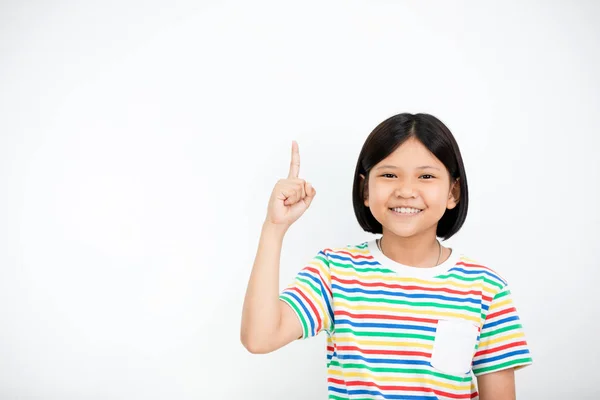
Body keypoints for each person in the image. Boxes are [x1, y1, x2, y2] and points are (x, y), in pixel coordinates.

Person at [241, 113, 532, 399]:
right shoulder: (334, 272)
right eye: (389, 175)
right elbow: (259, 337)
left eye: (426, 176)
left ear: (453, 192)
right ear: (365, 190)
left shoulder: (487, 289)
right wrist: (274, 228)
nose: (406, 191)